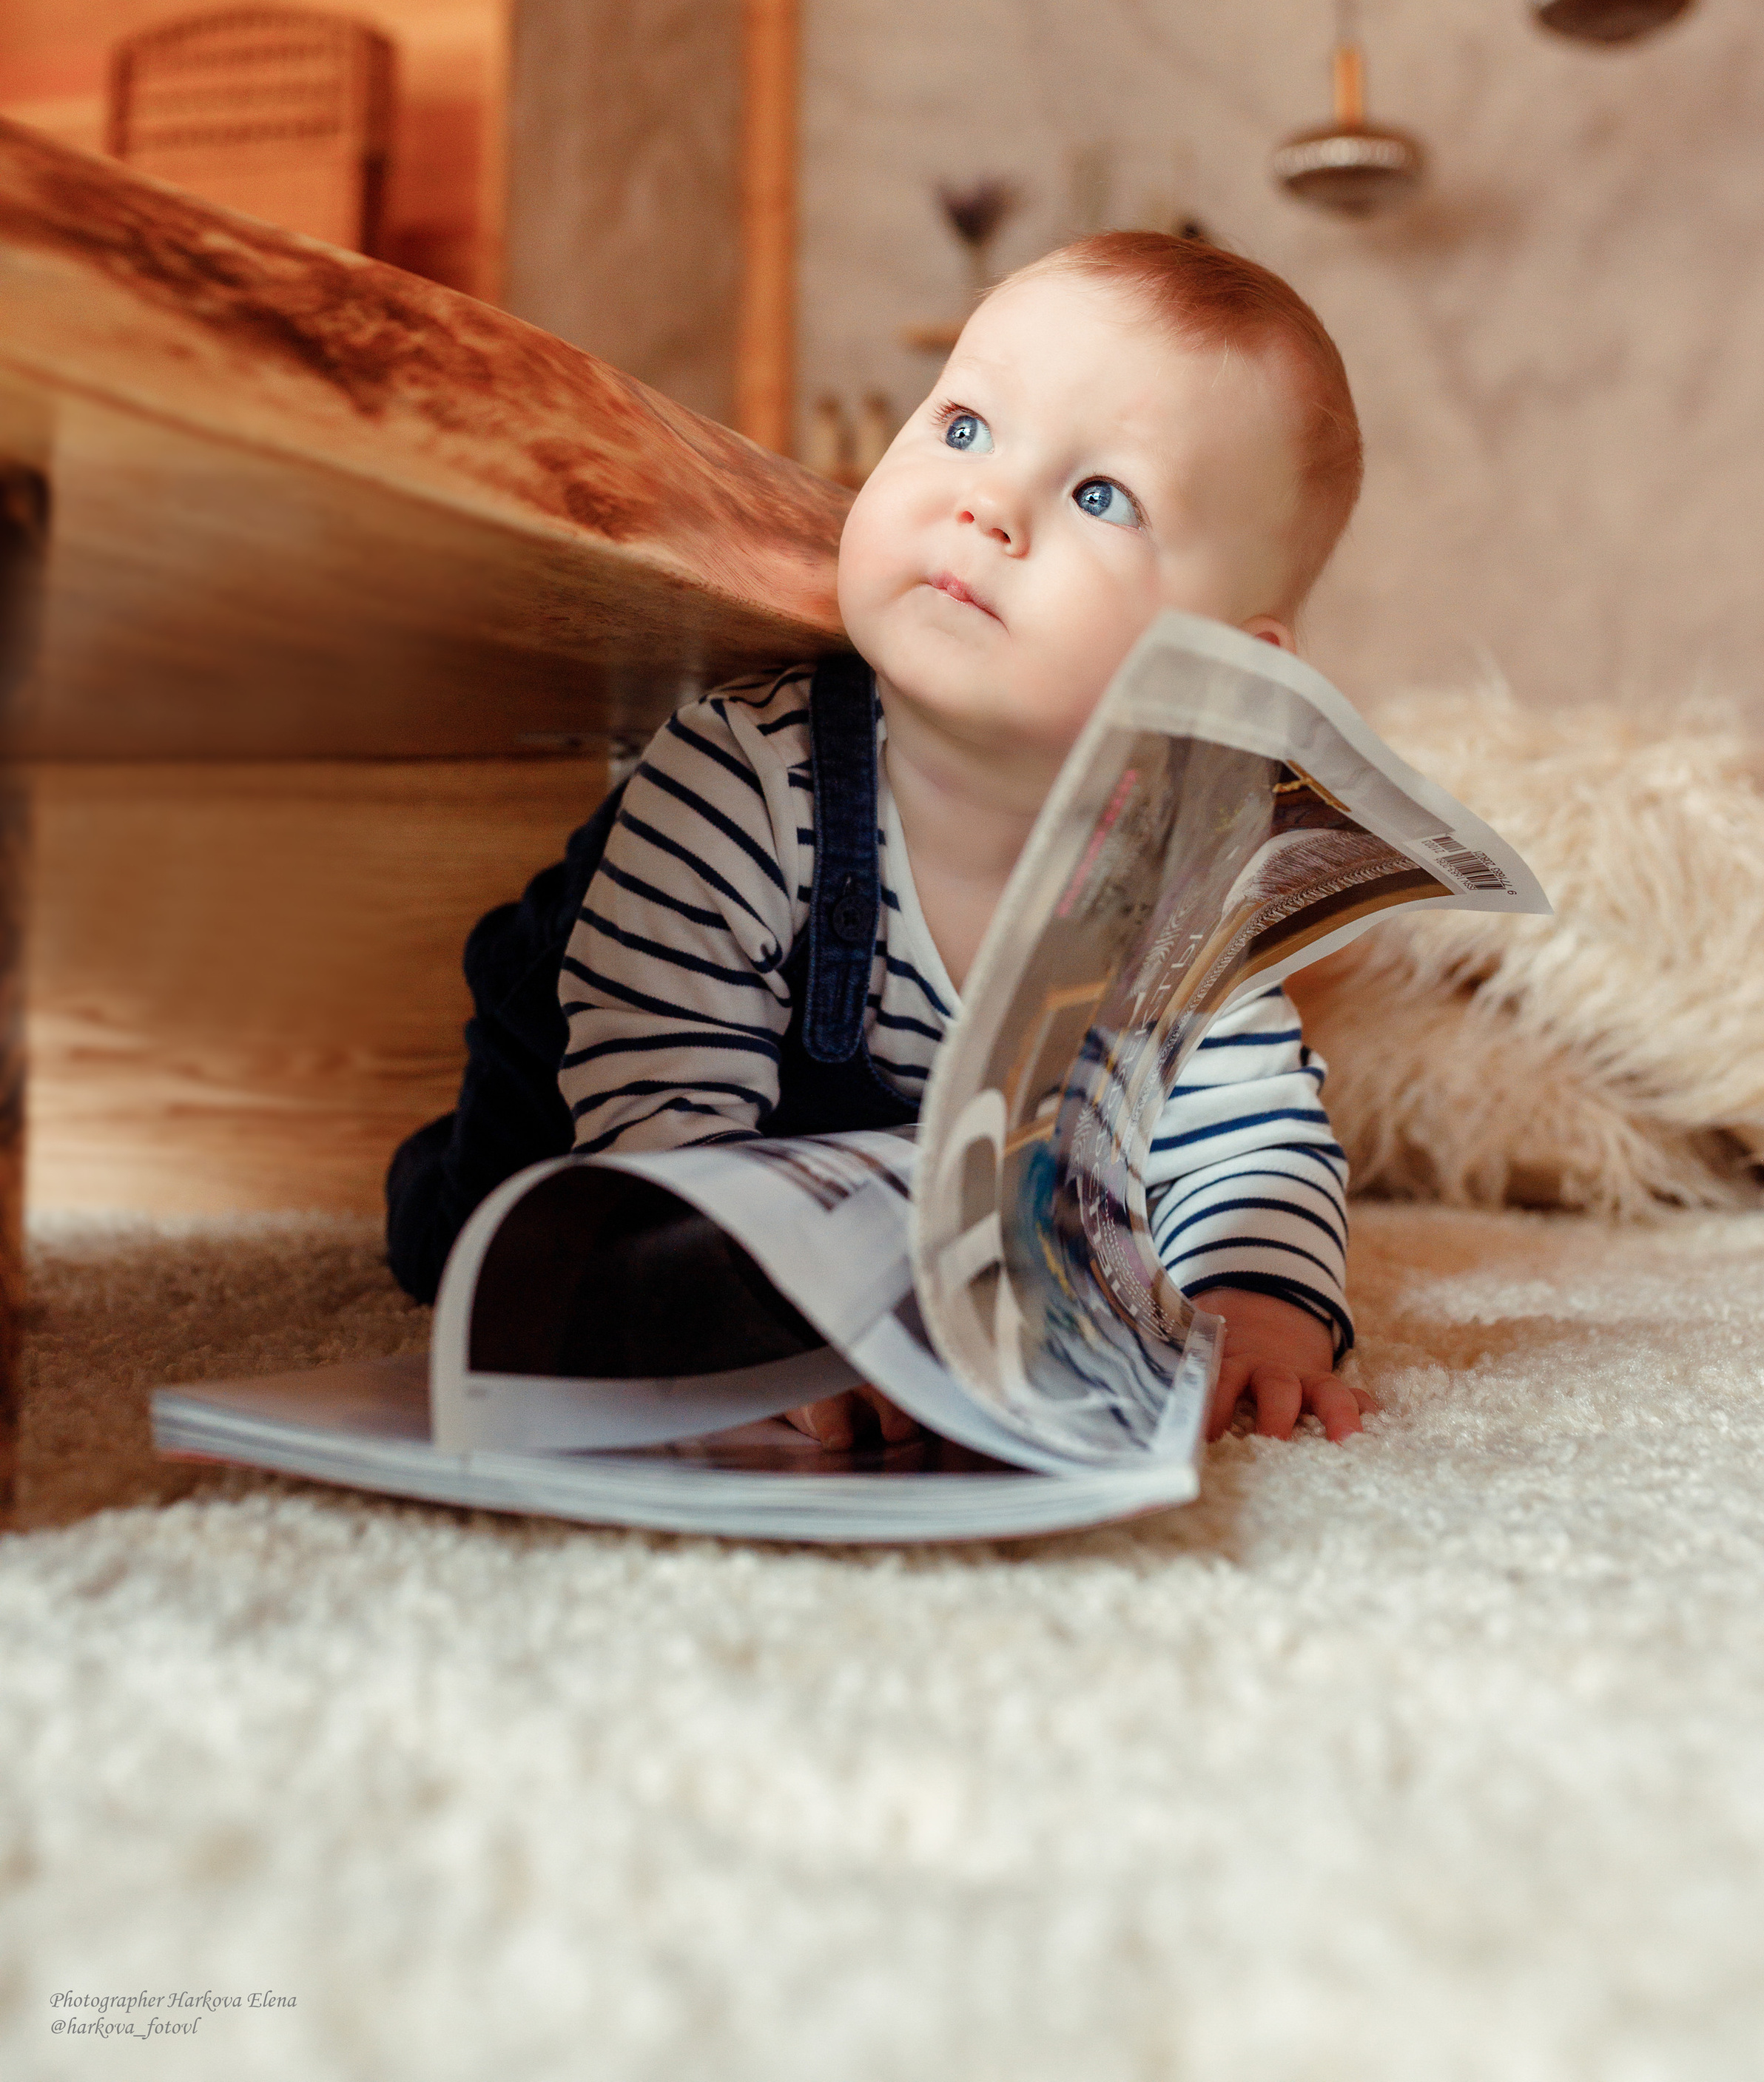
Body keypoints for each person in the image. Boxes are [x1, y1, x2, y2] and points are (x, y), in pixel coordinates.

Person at [386, 232, 1378, 1452]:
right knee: (484, 1249)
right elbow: (661, 1102)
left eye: (1102, 496)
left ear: (1222, 678)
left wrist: (1259, 1310)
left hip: (885, 1184)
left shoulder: (1185, 882)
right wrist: (761, 1325)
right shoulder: (741, 778)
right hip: (602, 1099)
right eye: (965, 428)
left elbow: (1254, 1132)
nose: (990, 504)